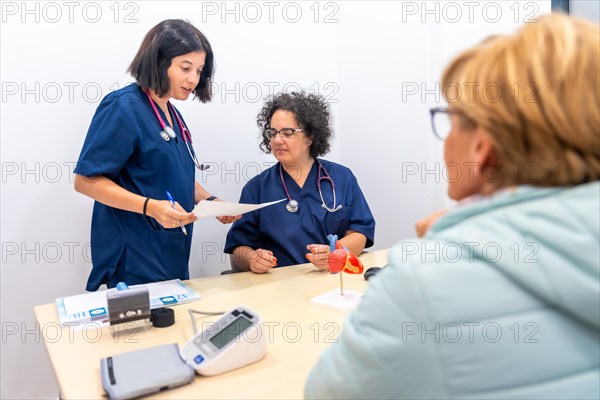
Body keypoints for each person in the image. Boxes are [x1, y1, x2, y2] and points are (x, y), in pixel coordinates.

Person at [306, 14, 599, 399]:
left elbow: (326, 392)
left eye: (450, 119)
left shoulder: (426, 282)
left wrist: (440, 251)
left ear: (481, 148)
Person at [74, 19, 239, 291]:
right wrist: (151, 207)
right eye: (185, 68)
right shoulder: (123, 107)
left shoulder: (172, 115)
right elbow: (85, 181)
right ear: (159, 62)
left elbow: (171, 176)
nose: (193, 79)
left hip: (170, 254)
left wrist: (211, 201)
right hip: (134, 258)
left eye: (198, 70)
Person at [224, 92, 375, 273]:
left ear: (310, 136)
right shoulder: (256, 188)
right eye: (273, 133)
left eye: (288, 133)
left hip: (332, 278)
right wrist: (253, 259)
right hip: (278, 286)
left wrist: (335, 252)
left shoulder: (342, 177)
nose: (278, 140)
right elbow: (238, 247)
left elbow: (360, 232)